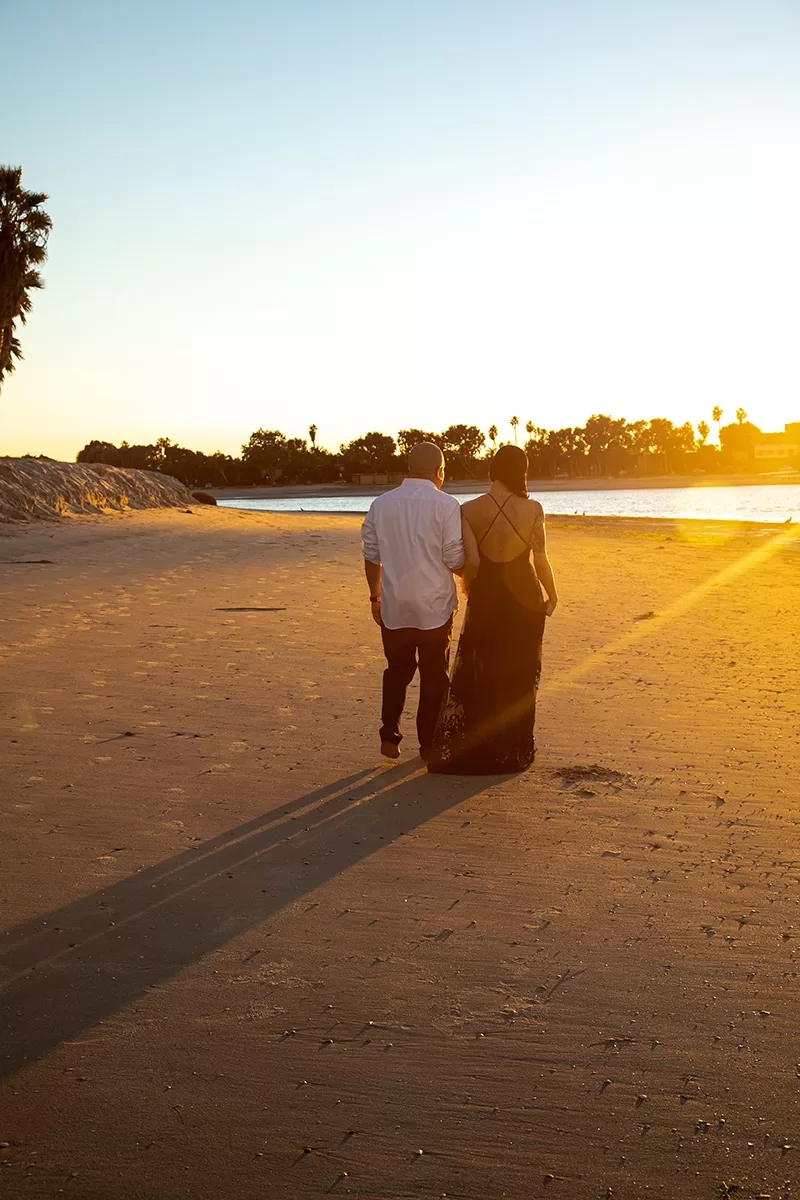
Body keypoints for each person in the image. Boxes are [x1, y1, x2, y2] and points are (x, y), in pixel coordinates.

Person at [428, 444, 558, 774]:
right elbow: (540, 560)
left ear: (492, 470)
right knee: (518, 673)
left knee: (482, 672)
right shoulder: (534, 510)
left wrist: (468, 586)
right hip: (526, 598)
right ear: (521, 472)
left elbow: (471, 561)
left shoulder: (468, 510)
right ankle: (511, 750)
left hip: (487, 596)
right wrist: (552, 594)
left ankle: (478, 747)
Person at [361, 442, 465, 761]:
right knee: (435, 675)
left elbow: (371, 555)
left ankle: (389, 735)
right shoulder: (447, 505)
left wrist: (375, 597)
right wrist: (470, 575)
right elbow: (453, 557)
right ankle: (428, 744)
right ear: (439, 471)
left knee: (397, 670)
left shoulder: (381, 504)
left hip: (395, 605)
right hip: (435, 606)